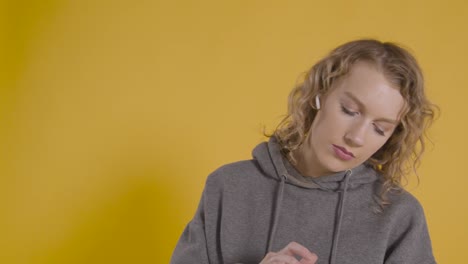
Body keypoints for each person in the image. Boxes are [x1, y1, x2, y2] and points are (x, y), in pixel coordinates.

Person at [171, 39, 437, 264]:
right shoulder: (228, 188)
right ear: (320, 93)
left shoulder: (400, 216)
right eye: (349, 111)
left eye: (380, 129)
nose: (356, 137)